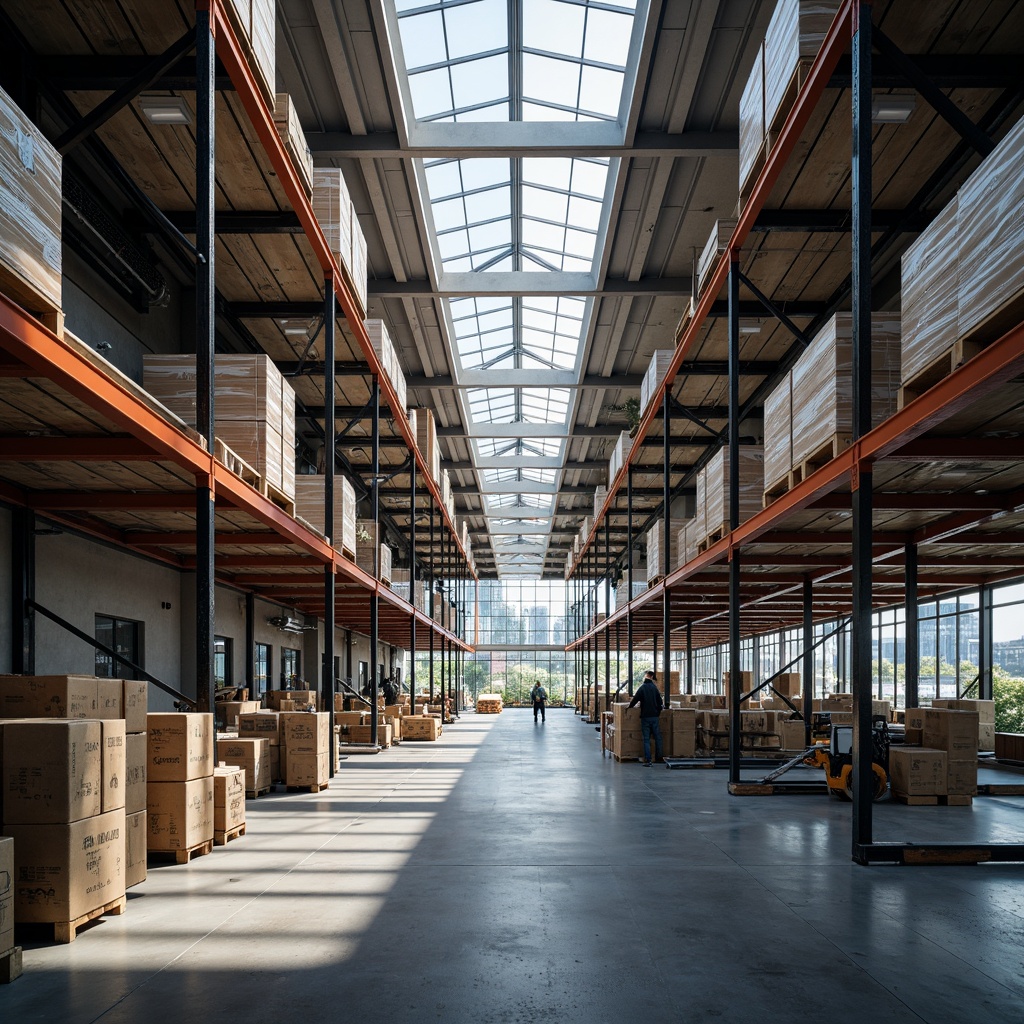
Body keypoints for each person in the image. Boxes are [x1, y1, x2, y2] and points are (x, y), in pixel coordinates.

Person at [628, 670, 664, 766]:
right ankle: (659, 757)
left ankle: (648, 760)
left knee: (646, 739)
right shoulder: (655, 688)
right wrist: (658, 712)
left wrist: (629, 707)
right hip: (655, 717)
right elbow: (660, 702)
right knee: (657, 737)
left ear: (646, 676)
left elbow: (635, 699)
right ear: (652, 677)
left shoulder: (642, 688)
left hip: (645, 717)